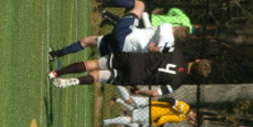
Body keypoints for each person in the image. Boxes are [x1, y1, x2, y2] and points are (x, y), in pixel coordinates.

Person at [48, 0, 188, 61]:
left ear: (176, 27)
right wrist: (155, 48)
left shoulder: (167, 28)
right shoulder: (169, 46)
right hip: (123, 49)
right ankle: (54, 55)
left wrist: (155, 48)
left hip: (126, 33)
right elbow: (156, 46)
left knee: (140, 5)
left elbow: (158, 43)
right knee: (88, 41)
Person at [47, 48, 211, 98]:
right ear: (194, 75)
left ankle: (56, 73)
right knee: (97, 76)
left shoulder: (178, 53)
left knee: (94, 64)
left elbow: (154, 48)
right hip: (134, 77)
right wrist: (139, 92)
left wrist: (151, 50)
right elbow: (155, 93)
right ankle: (74, 82)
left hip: (133, 60)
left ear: (197, 60)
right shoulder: (177, 82)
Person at [102, 86, 197, 127]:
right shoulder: (184, 109)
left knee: (130, 102)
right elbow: (171, 100)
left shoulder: (182, 117)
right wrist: (158, 100)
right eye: (194, 123)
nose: (192, 124)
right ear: (194, 117)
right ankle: (106, 122)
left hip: (152, 112)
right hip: (153, 110)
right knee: (132, 119)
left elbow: (165, 117)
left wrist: (159, 124)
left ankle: (116, 92)